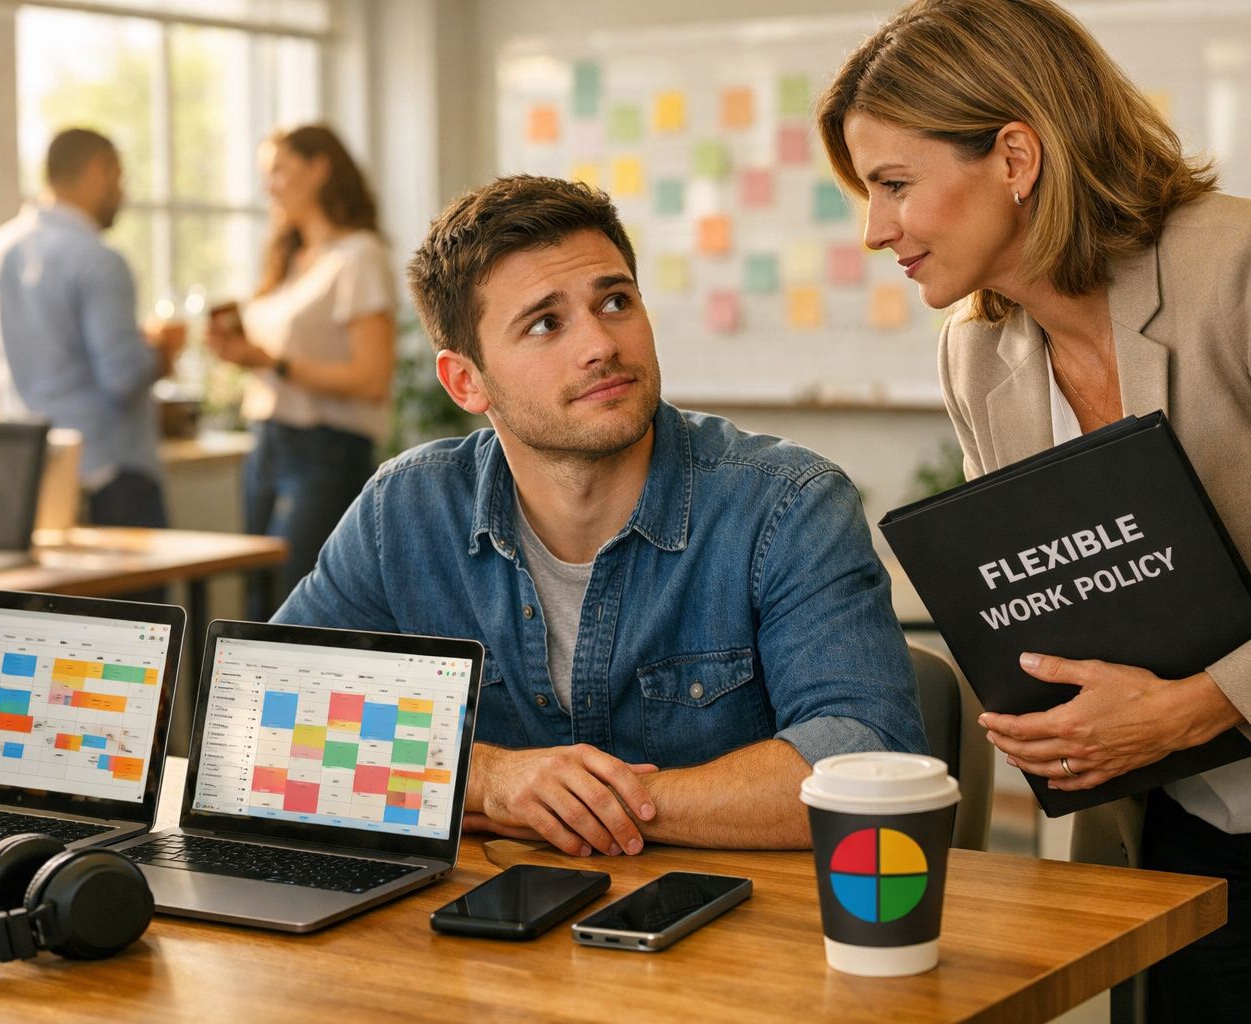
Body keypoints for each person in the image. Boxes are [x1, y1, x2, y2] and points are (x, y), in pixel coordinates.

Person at [816, 0, 1251, 1018]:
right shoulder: (978, 351)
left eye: (895, 185)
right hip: (1175, 828)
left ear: (1017, 157)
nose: (874, 230)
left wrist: (1206, 703)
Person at [274, 175, 927, 857]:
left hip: (735, 939)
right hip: (482, 938)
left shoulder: (788, 503)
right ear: (466, 381)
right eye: (545, 323)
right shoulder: (402, 512)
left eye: (615, 302)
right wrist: (488, 779)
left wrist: (578, 807)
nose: (601, 345)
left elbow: (866, 759)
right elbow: (270, 720)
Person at [205, 125, 396, 616]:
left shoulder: (359, 257)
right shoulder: (288, 260)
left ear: (319, 168)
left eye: (278, 171)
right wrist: (243, 354)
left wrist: (275, 363)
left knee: (298, 609)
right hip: (267, 445)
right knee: (256, 605)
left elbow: (372, 380)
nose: (269, 186)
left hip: (325, 453)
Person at [0, 127, 181, 529]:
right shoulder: (98, 260)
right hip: (110, 480)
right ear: (98, 171)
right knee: (134, 596)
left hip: (31, 482)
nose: (123, 194)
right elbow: (123, 377)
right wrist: (162, 351)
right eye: (119, 179)